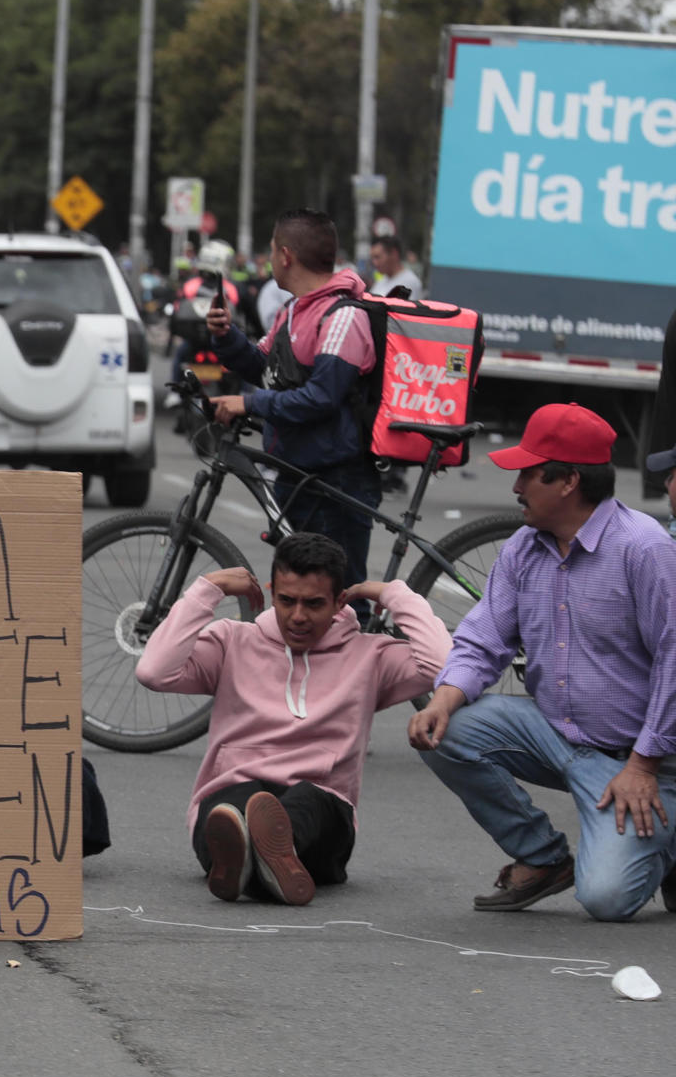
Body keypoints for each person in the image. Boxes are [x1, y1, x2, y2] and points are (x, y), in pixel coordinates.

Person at [410, 404, 676, 919]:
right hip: (560, 737)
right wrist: (443, 699)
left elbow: (674, 661)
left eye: (528, 474)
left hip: (642, 760)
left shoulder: (644, 549)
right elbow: (484, 637)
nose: (516, 488)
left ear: (569, 481)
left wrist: (643, 765)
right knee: (446, 729)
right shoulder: (522, 549)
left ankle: (666, 842)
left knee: (607, 898)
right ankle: (543, 857)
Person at [137, 532, 450, 904]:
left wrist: (393, 594)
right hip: (233, 793)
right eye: (287, 601)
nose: (298, 617)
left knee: (309, 801)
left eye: (314, 604)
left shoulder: (371, 657)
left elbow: (446, 666)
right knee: (233, 803)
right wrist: (209, 588)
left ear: (339, 603)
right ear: (272, 595)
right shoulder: (231, 641)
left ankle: (261, 860)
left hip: (323, 813)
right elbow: (153, 672)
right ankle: (256, 861)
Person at [208, 208, 379, 587]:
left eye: (271, 250)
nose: (269, 259)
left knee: (341, 603)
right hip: (296, 472)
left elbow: (321, 397)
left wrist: (249, 403)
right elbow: (264, 367)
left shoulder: (342, 316)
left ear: (285, 255)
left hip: (335, 480)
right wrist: (226, 337)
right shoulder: (294, 310)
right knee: (300, 597)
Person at [368, 235, 423, 300]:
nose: (374, 263)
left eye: (377, 257)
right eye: (372, 258)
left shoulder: (410, 282)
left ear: (394, 253)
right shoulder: (381, 281)